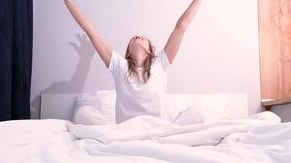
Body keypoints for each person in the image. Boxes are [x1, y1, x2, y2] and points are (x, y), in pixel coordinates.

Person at [64, 0, 203, 123]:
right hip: (124, 133)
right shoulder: (120, 66)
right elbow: (93, 33)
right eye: (133, 38)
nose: (137, 36)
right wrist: (68, 2)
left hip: (156, 131)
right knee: (83, 113)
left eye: (142, 38)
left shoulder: (160, 63)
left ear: (149, 50)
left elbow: (181, 28)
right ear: (128, 52)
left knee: (196, 114)